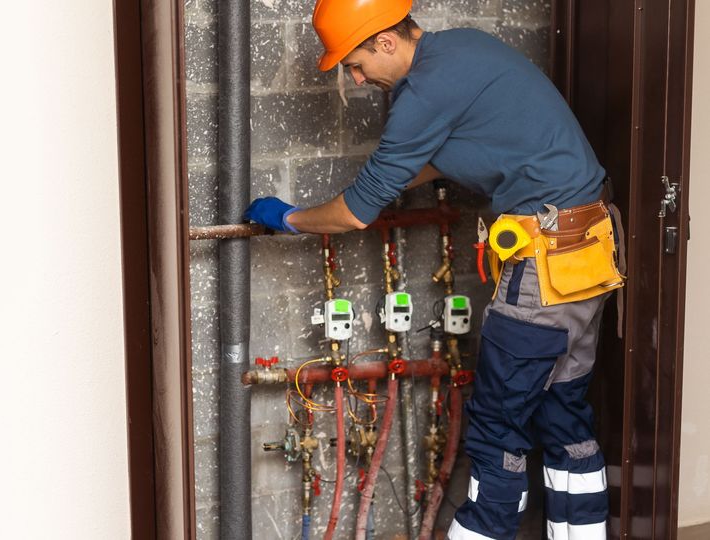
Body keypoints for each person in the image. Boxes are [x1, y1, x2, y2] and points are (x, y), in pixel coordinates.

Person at [244, 1, 623, 538]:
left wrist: (290, 218)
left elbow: (354, 213)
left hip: (545, 262)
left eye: (354, 63)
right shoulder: (460, 50)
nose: (355, 78)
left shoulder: (423, 91)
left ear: (385, 41)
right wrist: (384, 181)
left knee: (496, 430)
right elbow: (450, 155)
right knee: (562, 412)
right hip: (587, 247)